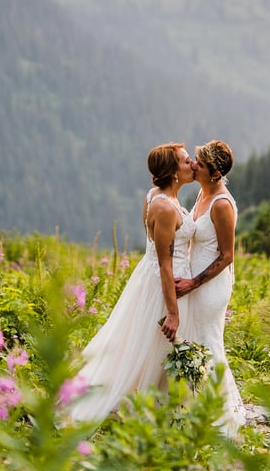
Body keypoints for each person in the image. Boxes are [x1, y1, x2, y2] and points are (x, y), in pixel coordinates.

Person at [64, 142, 197, 425]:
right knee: (156, 340)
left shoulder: (156, 196)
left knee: (143, 343)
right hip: (162, 282)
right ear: (174, 173)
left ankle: (159, 402)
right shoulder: (164, 208)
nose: (192, 164)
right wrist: (172, 312)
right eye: (186, 162)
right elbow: (164, 262)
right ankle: (143, 405)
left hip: (153, 275)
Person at [174, 139, 246, 435]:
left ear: (215, 173)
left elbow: (227, 255)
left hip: (210, 284)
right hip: (195, 279)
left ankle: (221, 417)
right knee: (194, 340)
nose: (193, 165)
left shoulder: (222, 204)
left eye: (199, 164)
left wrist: (193, 282)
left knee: (207, 342)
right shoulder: (203, 193)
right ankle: (195, 406)